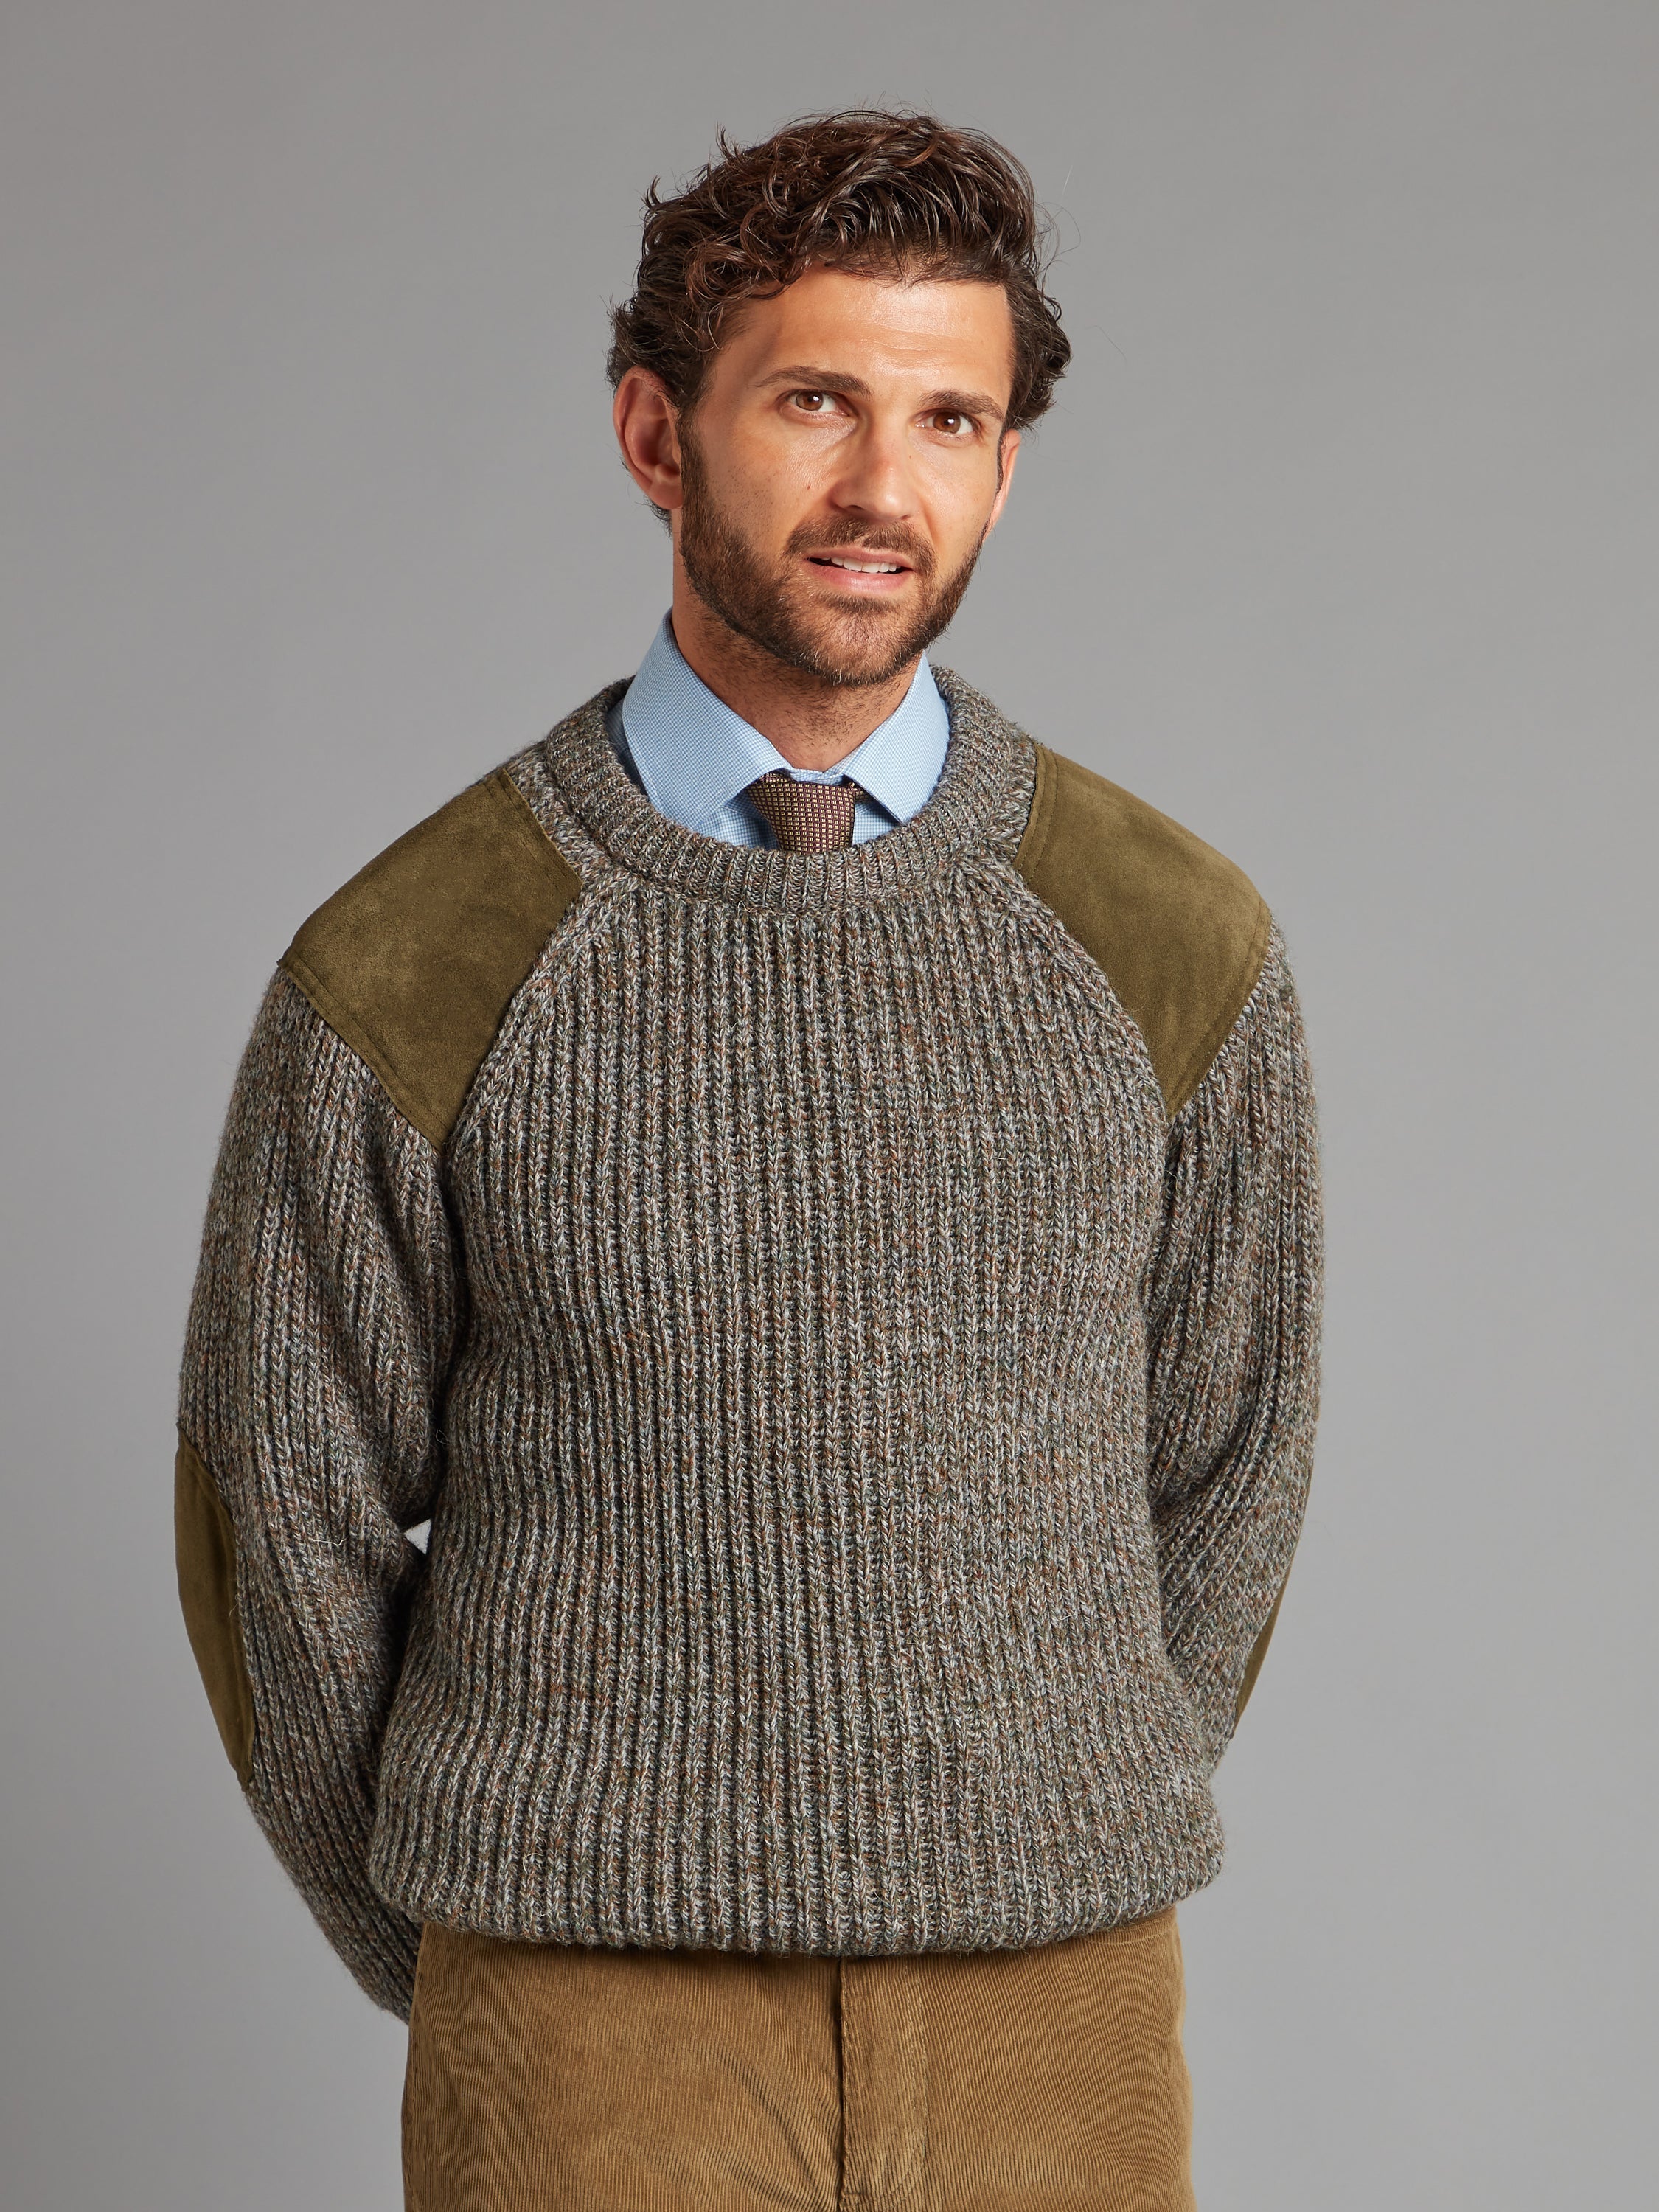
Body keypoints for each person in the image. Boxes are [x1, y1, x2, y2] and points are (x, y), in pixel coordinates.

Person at [174, 108, 1323, 2212]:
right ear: (655, 433)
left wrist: (1057, 1803)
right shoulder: (420, 959)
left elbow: (1234, 1455)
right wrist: (483, 1943)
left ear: (1003, 464)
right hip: (580, 2020)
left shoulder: (1168, 940)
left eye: (950, 420)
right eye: (815, 402)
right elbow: (274, 1512)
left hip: (1055, 2013)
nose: (885, 488)